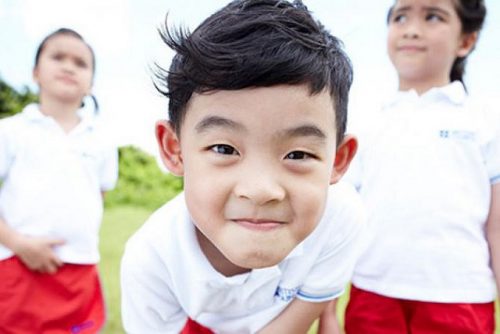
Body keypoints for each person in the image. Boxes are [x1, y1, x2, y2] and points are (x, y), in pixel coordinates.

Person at [120, 0, 367, 333]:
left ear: (338, 160)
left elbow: (310, 302)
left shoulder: (343, 216)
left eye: (297, 154)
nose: (261, 190)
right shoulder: (151, 262)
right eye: (224, 148)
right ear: (175, 149)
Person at [320, 0, 499, 333]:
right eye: (400, 17)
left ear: (466, 41)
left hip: (460, 297)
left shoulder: (485, 121)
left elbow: (497, 228)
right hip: (373, 291)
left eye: (433, 17)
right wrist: (328, 312)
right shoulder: (365, 122)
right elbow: (339, 219)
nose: (411, 29)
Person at [0, 28, 118, 333]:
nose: (68, 66)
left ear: (91, 83)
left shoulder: (103, 141)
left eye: (80, 63)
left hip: (79, 270)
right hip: (17, 265)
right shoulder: (11, 131)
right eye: (57, 57)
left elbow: (98, 196)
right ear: (36, 72)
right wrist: (18, 243)